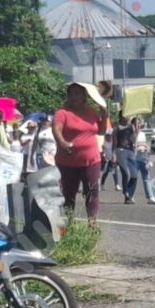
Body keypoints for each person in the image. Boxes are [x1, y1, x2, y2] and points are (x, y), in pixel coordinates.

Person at [53, 83, 107, 224]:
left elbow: (101, 131)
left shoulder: (91, 112)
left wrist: (104, 115)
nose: (74, 96)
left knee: (92, 191)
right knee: (69, 194)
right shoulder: (62, 113)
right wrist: (63, 142)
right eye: (71, 93)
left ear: (85, 96)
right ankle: (69, 224)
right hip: (67, 162)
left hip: (91, 160)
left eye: (78, 93)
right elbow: (56, 129)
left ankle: (92, 222)